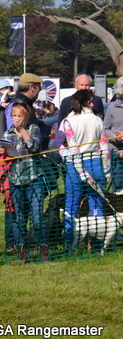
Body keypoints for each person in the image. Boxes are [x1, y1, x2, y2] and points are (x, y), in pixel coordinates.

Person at [58, 89, 111, 251]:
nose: (94, 104)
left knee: (71, 208)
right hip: (96, 165)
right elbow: (104, 147)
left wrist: (67, 157)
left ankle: (70, 245)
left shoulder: (68, 122)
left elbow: (70, 147)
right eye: (91, 101)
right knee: (96, 205)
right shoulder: (97, 120)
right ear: (86, 102)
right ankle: (97, 246)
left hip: (75, 166)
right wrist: (107, 171)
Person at [1, 103, 48, 262]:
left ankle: (43, 250)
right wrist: (3, 151)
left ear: (25, 117)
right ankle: (22, 252)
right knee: (19, 219)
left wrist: (22, 132)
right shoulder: (7, 134)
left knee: (37, 218)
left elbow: (35, 147)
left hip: (34, 178)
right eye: (14, 115)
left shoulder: (33, 129)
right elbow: (7, 157)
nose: (16, 119)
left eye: (20, 116)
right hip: (15, 180)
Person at [103, 78, 123, 195]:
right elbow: (105, 128)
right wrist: (115, 137)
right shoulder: (111, 107)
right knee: (118, 185)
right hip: (116, 151)